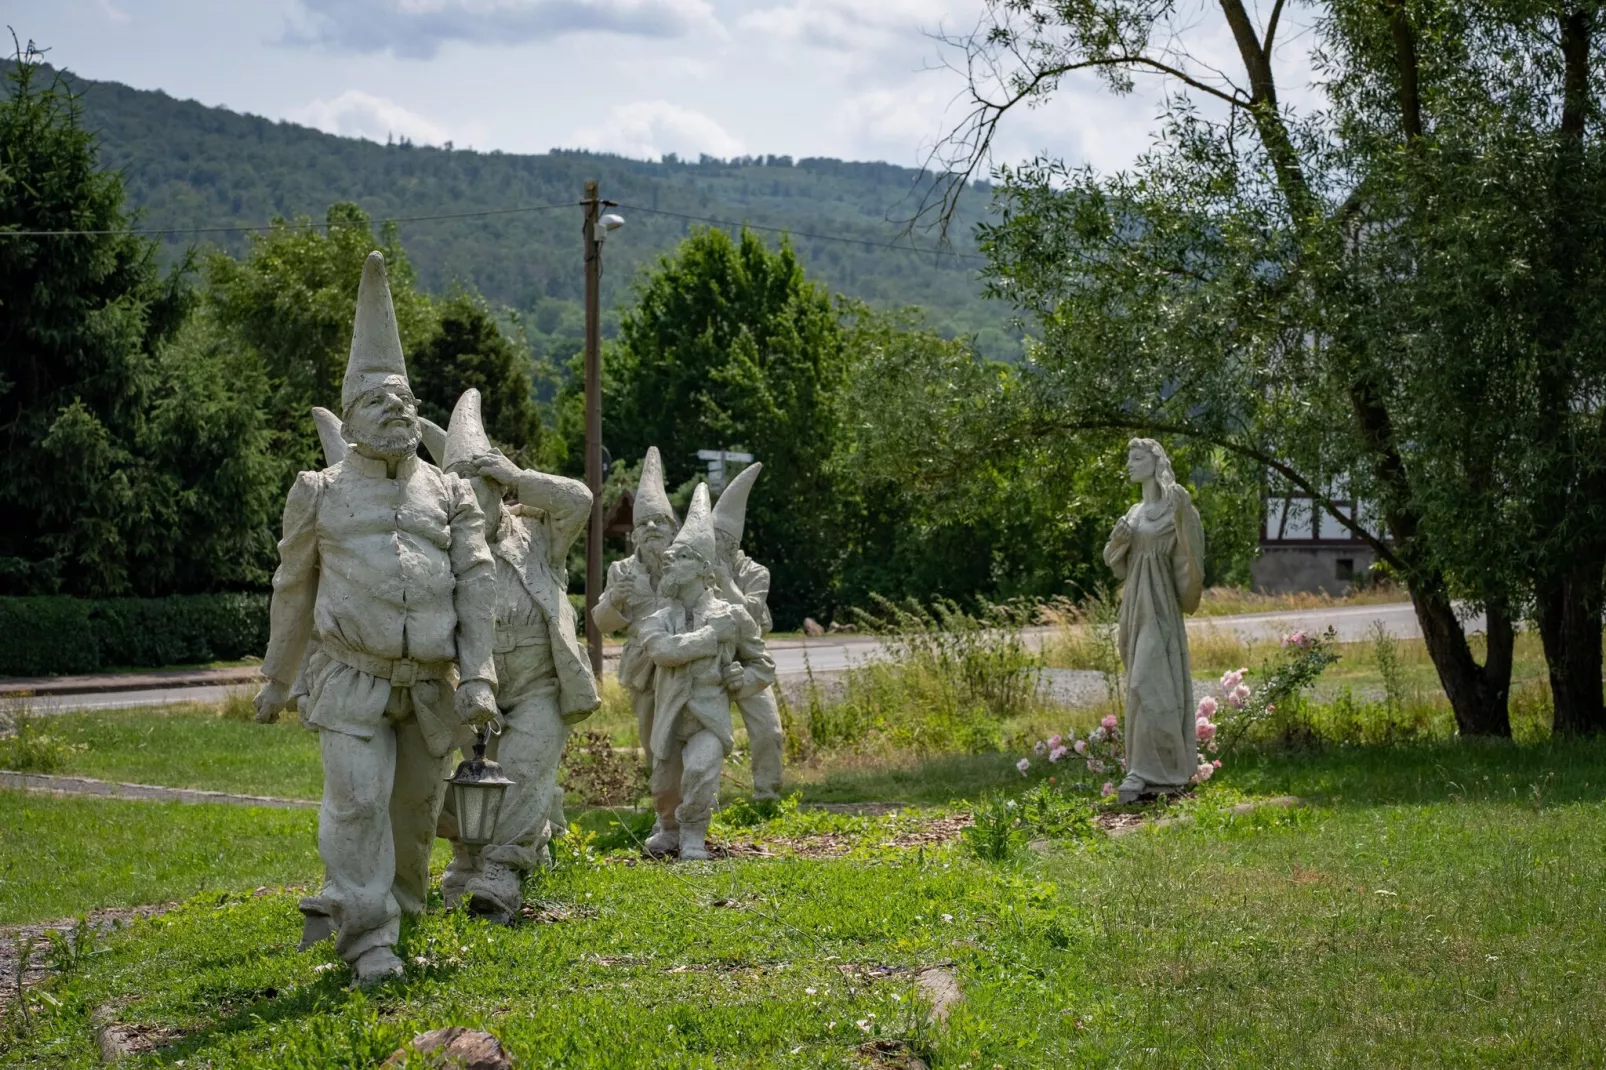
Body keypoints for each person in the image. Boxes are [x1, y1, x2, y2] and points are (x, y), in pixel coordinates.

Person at [254, 252, 499, 985]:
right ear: (351, 416)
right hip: (349, 678)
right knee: (357, 802)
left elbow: (476, 582)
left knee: (413, 814)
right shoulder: (319, 491)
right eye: (378, 402)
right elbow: (292, 587)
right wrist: (275, 676)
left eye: (404, 399)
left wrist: (479, 674)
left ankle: (397, 913)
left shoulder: (448, 492)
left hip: (429, 682)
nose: (396, 410)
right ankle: (368, 938)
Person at [433, 389, 600, 923]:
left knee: (526, 768)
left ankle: (502, 871)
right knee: (465, 779)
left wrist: (518, 475)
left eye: (482, 493)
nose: (471, 507)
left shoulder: (535, 533)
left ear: (499, 493)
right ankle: (469, 859)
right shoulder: (443, 549)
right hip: (469, 685)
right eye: (459, 496)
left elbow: (579, 499)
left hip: (537, 685)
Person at [639, 485, 775, 860]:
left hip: (708, 716)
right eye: (669, 556)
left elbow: (761, 665)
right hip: (669, 716)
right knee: (664, 785)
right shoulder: (658, 619)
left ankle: (694, 835)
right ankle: (669, 829)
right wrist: (709, 637)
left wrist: (742, 681)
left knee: (699, 771)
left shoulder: (732, 616)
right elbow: (663, 653)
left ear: (703, 567)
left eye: (680, 556)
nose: (669, 561)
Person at [1103, 438, 1205, 804]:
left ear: (1154, 461)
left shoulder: (1172, 506)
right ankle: (1147, 771)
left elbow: (1190, 552)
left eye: (1136, 457)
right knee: (1137, 684)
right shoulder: (1133, 513)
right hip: (1134, 604)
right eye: (1128, 457)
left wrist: (1184, 514)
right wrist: (1118, 541)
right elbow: (1115, 565)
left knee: (1150, 680)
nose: (1129, 464)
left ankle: (1152, 769)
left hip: (1160, 604)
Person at [592, 448, 677, 820]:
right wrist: (615, 600)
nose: (652, 530)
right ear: (635, 533)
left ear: (674, 529)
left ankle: (693, 804)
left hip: (684, 665)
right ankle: (665, 810)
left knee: (686, 737)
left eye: (660, 522)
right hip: (644, 671)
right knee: (652, 740)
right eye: (645, 524)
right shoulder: (622, 570)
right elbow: (600, 622)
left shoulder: (686, 565)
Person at [709, 463, 784, 800]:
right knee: (700, 737)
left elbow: (753, 616)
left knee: (768, 730)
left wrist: (725, 581)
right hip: (709, 663)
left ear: (732, 541)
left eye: (720, 540)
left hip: (751, 662)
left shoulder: (755, 572)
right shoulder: (699, 568)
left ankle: (767, 793)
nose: (715, 546)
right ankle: (697, 801)